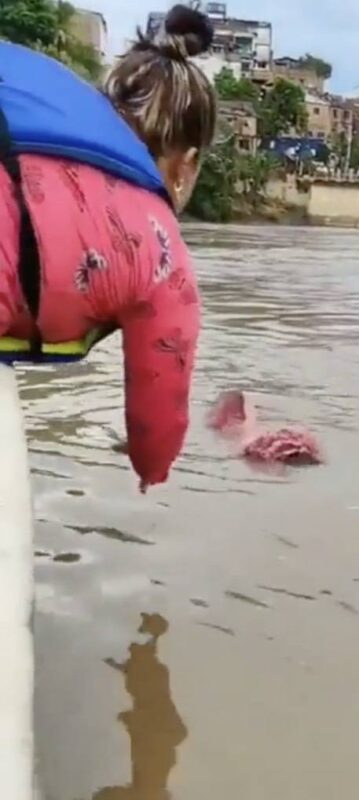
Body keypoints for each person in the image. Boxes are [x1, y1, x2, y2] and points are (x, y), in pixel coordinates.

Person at [0, 5, 216, 490]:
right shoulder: (160, 248)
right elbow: (159, 420)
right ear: (187, 165)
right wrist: (151, 468)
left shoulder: (40, 98)